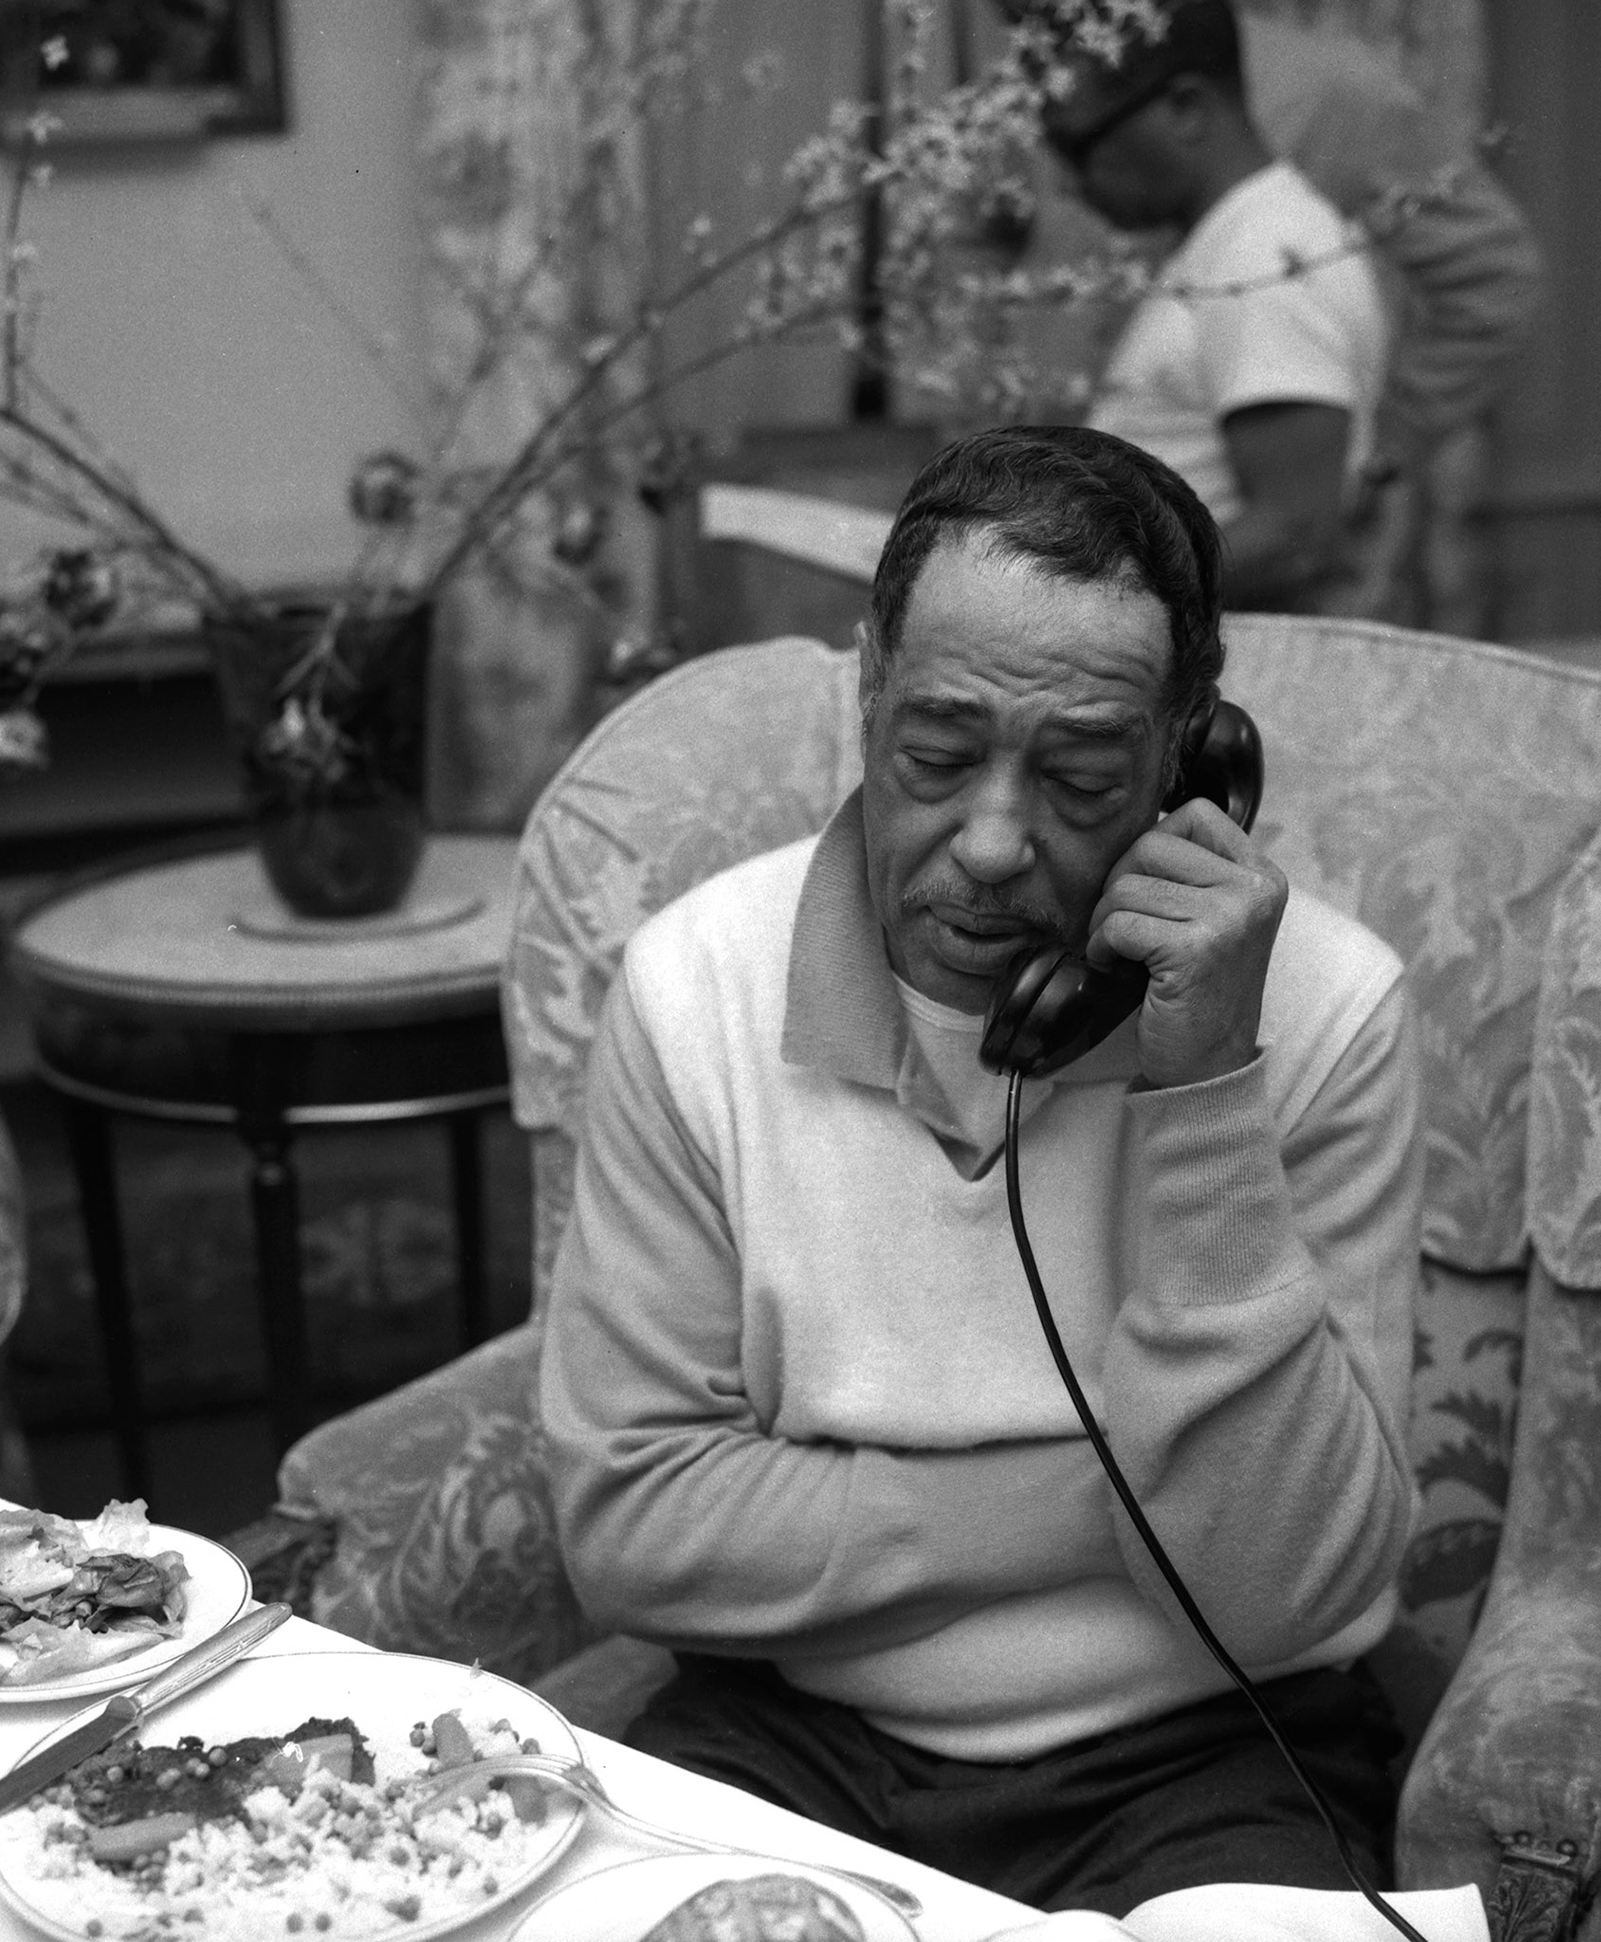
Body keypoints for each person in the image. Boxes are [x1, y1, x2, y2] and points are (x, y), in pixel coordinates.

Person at [539, 424, 1422, 1915]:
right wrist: (1112, 1500)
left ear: (1188, 755)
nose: (996, 842)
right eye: (937, 757)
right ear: (868, 692)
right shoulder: (695, 988)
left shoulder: (1332, 1012)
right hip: (791, 1734)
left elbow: (1293, 1589)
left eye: (1081, 776)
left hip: (1211, 1757)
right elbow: (633, 1533)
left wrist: (1205, 1083)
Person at [1032, 0, 1391, 611]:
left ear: (1186, 107)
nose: (1069, 182)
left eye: (1078, 145)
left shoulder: (1262, 256)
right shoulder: (1233, 241)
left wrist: (1077, 606)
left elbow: (1296, 537)